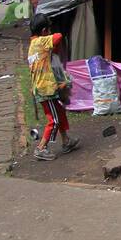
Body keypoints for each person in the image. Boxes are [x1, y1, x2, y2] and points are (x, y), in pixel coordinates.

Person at [28, 13, 79, 161]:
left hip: (43, 87)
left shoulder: (33, 44)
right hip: (46, 89)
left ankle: (66, 141)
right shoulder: (41, 42)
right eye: (48, 29)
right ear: (44, 31)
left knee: (60, 113)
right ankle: (41, 147)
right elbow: (58, 37)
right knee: (54, 120)